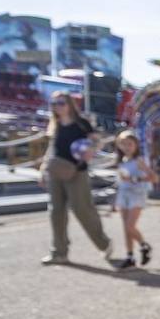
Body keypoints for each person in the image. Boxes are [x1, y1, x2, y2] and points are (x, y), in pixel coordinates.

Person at [39, 91, 113, 265]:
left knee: (82, 209)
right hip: (56, 171)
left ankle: (104, 243)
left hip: (76, 171)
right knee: (56, 212)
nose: (57, 106)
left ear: (70, 104)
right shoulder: (55, 124)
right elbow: (51, 149)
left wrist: (91, 150)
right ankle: (59, 252)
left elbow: (97, 141)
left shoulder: (82, 123)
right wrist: (43, 169)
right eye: (54, 103)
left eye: (61, 103)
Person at [112, 130, 155, 269]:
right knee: (126, 228)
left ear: (136, 145)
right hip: (123, 194)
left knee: (130, 226)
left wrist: (134, 178)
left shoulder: (140, 161)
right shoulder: (121, 161)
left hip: (137, 194)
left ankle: (144, 245)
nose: (126, 147)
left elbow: (154, 178)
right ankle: (129, 256)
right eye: (123, 144)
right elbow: (120, 181)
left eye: (129, 144)